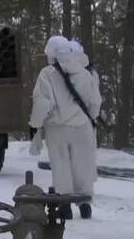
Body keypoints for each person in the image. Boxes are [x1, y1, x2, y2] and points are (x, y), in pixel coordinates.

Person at [28, 36, 101, 219]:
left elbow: (43, 104)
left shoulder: (48, 74)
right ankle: (85, 204)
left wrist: (35, 124)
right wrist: (89, 119)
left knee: (61, 166)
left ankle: (65, 204)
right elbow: (95, 102)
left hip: (57, 128)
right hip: (82, 127)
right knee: (82, 165)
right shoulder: (85, 74)